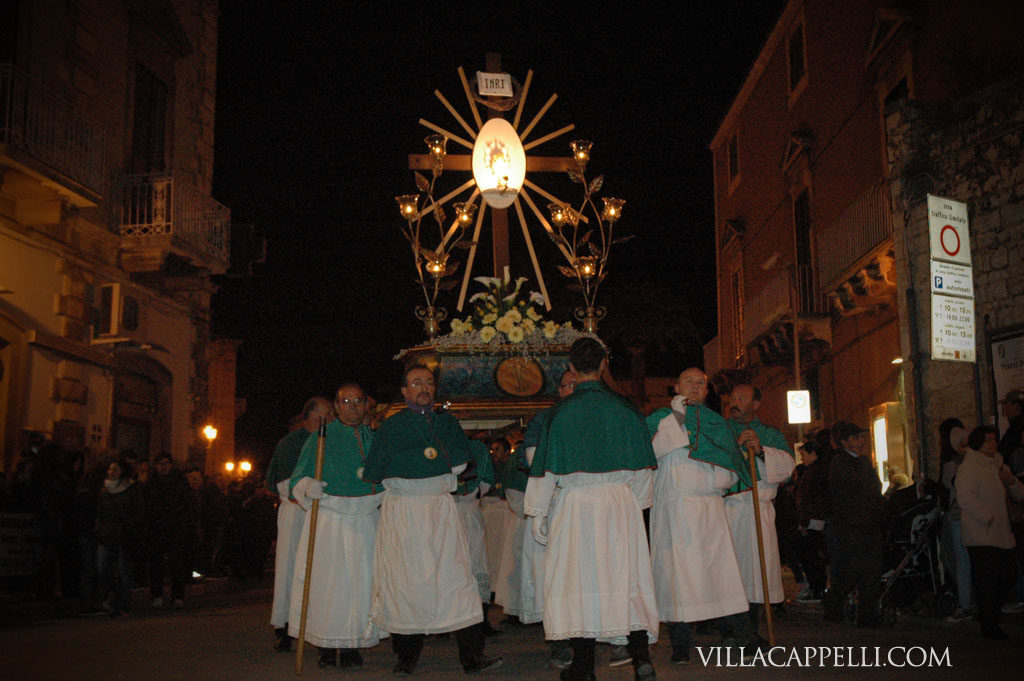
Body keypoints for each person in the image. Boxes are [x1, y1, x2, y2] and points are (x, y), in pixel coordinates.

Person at [526, 338, 658, 681]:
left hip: (576, 506)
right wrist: (636, 506)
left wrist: (538, 512)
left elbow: (545, 469)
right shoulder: (626, 409)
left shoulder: (561, 411)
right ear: (603, 364)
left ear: (571, 367)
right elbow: (645, 471)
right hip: (620, 504)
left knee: (578, 581)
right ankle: (641, 657)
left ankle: (583, 668)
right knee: (626, 576)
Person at [362, 364, 502, 675]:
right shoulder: (391, 426)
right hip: (404, 512)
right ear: (404, 390)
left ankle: (471, 656)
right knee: (406, 582)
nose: (423, 387)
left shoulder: (447, 423)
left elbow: (462, 463)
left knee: (457, 581)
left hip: (440, 510)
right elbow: (376, 469)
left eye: (428, 382)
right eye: (416, 383)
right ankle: (407, 655)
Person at [646, 368, 752, 665]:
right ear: (676, 385)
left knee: (721, 572)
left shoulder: (718, 424)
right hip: (673, 508)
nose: (694, 387)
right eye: (688, 381)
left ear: (708, 392)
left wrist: (713, 479)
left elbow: (731, 470)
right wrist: (678, 421)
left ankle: (744, 636)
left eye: (701, 384)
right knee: (676, 576)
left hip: (709, 508)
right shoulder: (658, 420)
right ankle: (681, 643)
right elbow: (647, 452)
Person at [288, 383, 385, 668]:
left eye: (358, 401)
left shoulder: (376, 438)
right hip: (329, 520)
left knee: (360, 585)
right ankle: (326, 647)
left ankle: (353, 644)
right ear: (336, 405)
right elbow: (298, 477)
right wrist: (308, 486)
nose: (353, 406)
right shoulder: (321, 436)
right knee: (326, 585)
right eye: (346, 401)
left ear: (366, 404)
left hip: (366, 520)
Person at [724, 384, 796, 632]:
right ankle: (729, 630)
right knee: (728, 571)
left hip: (757, 509)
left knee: (756, 571)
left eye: (741, 397)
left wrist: (761, 451)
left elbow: (787, 468)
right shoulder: (721, 431)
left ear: (756, 404)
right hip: (727, 509)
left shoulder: (771, 434)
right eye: (732, 397)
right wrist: (735, 446)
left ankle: (750, 628)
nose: (734, 401)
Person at [266, 396, 334, 651]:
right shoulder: (290, 443)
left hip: (324, 514)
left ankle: (319, 624)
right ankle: (286, 626)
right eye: (325, 416)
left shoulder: (331, 440)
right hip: (296, 515)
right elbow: (283, 482)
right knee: (291, 569)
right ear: (312, 417)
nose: (330, 420)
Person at [518, 371, 575, 670]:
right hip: (554, 499)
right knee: (553, 575)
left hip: (589, 504)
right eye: (569, 385)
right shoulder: (546, 418)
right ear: (560, 390)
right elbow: (533, 460)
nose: (575, 389)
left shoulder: (597, 414)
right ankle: (560, 642)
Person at [955, 425, 1024, 639]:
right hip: (981, 534)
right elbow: (965, 497)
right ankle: (989, 623)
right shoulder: (970, 467)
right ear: (978, 443)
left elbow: (1018, 494)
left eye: (994, 440)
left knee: (1009, 574)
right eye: (988, 440)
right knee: (987, 580)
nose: (993, 443)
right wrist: (988, 516)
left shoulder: (997, 464)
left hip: (1001, 533)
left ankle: (991, 616)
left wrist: (1011, 482)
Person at [824, 421, 885, 626]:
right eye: (856, 437)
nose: (861, 440)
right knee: (856, 566)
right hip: (852, 525)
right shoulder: (840, 463)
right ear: (845, 442)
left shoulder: (864, 461)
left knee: (872, 569)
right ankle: (834, 601)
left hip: (871, 523)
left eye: (861, 436)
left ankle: (867, 615)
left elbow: (873, 490)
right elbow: (848, 494)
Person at [456, 439, 498, 635]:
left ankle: (475, 620)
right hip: (461, 513)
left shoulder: (475, 449)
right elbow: (486, 482)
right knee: (472, 564)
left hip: (455, 513)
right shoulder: (477, 449)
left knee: (470, 565)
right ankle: (474, 620)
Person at [95, 458, 144, 618]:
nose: (111, 472)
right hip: (106, 536)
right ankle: (110, 598)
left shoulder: (131, 489)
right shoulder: (104, 490)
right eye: (110, 469)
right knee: (103, 569)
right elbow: (99, 512)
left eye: (115, 469)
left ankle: (123, 605)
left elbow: (137, 512)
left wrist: (128, 527)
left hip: (124, 536)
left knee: (124, 572)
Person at [145, 452, 192, 610]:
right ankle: (157, 595)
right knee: (156, 564)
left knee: (176, 564)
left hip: (175, 529)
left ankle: (177, 596)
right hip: (156, 529)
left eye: (165, 463)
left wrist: (182, 524)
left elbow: (186, 504)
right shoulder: (151, 483)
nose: (163, 467)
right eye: (160, 464)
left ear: (170, 465)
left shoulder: (179, 481)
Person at [794, 440, 829, 603]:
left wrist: (804, 521)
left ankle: (817, 589)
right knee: (812, 556)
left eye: (803, 455)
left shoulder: (814, 472)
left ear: (813, 454)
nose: (802, 459)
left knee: (811, 556)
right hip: (814, 519)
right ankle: (818, 588)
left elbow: (810, 499)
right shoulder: (817, 471)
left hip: (813, 520)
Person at [997, 389, 1024, 459]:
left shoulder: (1016, 428)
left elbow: (1003, 453)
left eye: (1006, 404)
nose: (1004, 408)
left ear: (1015, 406)